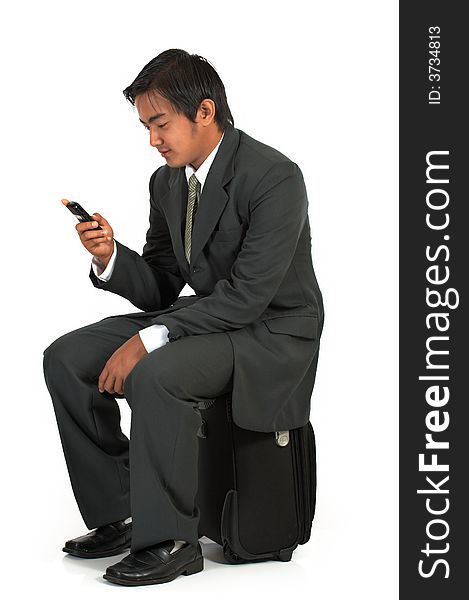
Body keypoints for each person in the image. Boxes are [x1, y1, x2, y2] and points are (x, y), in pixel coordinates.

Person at [43, 48, 324, 587]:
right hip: (209, 317)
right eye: (146, 126)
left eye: (160, 123)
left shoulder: (275, 177)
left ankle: (172, 539)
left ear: (204, 111)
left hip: (269, 330)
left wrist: (152, 340)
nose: (153, 139)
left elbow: (247, 298)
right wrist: (109, 257)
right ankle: (120, 513)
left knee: (157, 373)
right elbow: (162, 285)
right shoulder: (168, 182)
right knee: (67, 359)